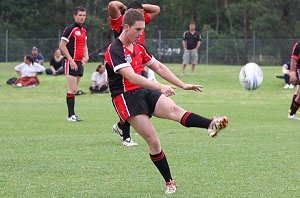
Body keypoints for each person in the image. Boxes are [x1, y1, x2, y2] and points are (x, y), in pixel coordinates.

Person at [104, 9, 229, 194]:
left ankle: (211, 124)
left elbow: (159, 66)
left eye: (143, 29)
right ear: (126, 26)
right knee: (154, 142)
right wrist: (160, 87)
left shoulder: (139, 47)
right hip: (125, 98)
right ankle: (169, 181)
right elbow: (131, 77)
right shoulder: (114, 49)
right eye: (138, 29)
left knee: (175, 110)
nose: (140, 33)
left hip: (144, 90)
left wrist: (183, 84)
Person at [108, 0, 160, 146]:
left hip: (138, 65)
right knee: (128, 99)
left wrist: (140, 8)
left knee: (139, 101)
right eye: (139, 14)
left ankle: (120, 125)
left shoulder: (140, 22)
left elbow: (157, 9)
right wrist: (126, 7)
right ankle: (126, 137)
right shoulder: (121, 22)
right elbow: (112, 5)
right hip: (123, 67)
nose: (140, 31)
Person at [59, 6, 89, 122]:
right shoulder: (70, 29)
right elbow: (62, 46)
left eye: (84, 15)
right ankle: (71, 116)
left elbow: (85, 44)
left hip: (79, 62)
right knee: (72, 89)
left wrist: (86, 56)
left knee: (75, 89)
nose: (82, 17)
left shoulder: (83, 30)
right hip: (70, 61)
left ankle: (72, 115)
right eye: (80, 15)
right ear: (75, 16)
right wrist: (71, 60)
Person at [288, 41, 300, 120]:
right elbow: (293, 58)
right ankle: (292, 114)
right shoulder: (299, 45)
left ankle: (292, 113)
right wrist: (292, 72)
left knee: (298, 92)